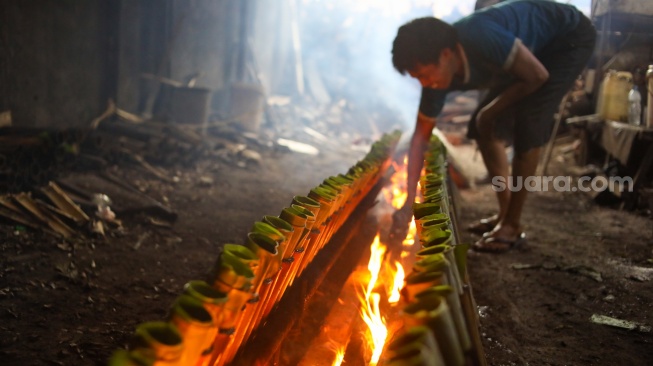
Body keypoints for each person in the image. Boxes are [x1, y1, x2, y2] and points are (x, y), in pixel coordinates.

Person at [390, 0, 596, 253]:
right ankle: (504, 215)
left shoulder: (480, 36)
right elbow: (420, 139)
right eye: (417, 78)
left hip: (566, 39)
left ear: (446, 55)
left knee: (528, 122)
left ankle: (511, 225)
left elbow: (537, 76)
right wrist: (408, 201)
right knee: (481, 127)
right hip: (525, 56)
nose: (425, 83)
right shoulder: (435, 82)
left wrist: (490, 112)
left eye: (424, 74)